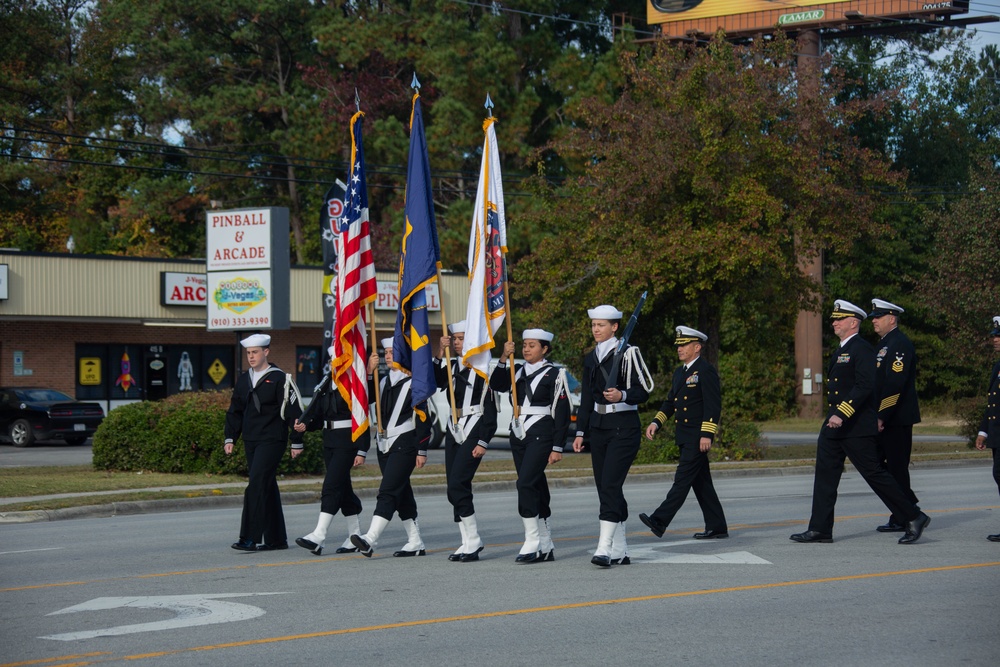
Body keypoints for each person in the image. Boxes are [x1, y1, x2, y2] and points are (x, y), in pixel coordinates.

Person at [790, 300, 930, 545]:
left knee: (874, 473)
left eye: (839, 319)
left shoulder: (862, 349)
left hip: (854, 425)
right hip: (835, 426)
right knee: (825, 475)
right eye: (834, 319)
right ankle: (820, 528)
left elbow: (865, 386)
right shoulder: (843, 349)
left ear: (853, 323)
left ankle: (913, 516)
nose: (834, 323)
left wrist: (842, 413)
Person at [573, 304, 653, 567]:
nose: (596, 329)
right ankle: (620, 548)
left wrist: (623, 395)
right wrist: (581, 431)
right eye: (594, 325)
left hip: (623, 426)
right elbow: (586, 398)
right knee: (606, 488)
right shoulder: (591, 357)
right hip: (598, 427)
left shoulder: (629, 353)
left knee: (609, 485)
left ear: (615, 327)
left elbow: (645, 389)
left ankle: (604, 548)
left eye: (602, 325)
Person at [638, 326, 728, 541]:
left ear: (697, 347)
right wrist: (656, 422)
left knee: (682, 480)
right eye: (678, 345)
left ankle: (660, 520)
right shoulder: (680, 372)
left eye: (684, 345)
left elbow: (713, 406)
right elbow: (671, 402)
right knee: (701, 483)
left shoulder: (705, 371)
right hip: (684, 436)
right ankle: (717, 527)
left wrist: (707, 434)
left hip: (697, 437)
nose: (679, 349)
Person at [492, 330, 571, 563]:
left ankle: (532, 540)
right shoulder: (517, 370)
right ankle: (546, 544)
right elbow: (496, 384)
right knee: (535, 484)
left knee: (525, 482)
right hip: (518, 432)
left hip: (541, 431)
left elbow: (562, 412)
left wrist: (558, 446)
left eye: (532, 345)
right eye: (524, 345)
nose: (526, 349)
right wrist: (504, 358)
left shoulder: (554, 374)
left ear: (545, 349)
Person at [351, 338, 430, 557]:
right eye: (385, 352)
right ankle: (415, 542)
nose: (388, 356)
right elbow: (364, 400)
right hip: (384, 444)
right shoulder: (383, 381)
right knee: (401, 492)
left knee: (387, 491)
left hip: (405, 443)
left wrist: (422, 450)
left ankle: (370, 538)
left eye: (392, 352)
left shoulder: (415, 383)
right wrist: (368, 372)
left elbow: (424, 418)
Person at [224, 333, 303, 552]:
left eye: (255, 352)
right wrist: (230, 437)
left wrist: (296, 442)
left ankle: (249, 537)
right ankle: (276, 539)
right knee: (266, 486)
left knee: (256, 484)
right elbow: (235, 411)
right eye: (248, 353)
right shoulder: (244, 379)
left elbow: (294, 412)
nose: (251, 357)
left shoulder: (280, 378)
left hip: (272, 440)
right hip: (251, 440)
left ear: (266, 352)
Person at [293, 350, 370, 556]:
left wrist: (363, 448)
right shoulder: (327, 382)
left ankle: (319, 535)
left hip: (348, 441)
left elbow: (362, 415)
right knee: (343, 489)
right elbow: (319, 416)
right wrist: (305, 426)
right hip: (329, 441)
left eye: (338, 359)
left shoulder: (353, 383)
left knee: (331, 486)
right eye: (331, 360)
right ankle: (355, 536)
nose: (333, 363)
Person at [435, 321, 498, 562]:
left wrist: (483, 440)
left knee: (458, 484)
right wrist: (440, 352)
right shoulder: (453, 366)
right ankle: (466, 541)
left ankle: (474, 539)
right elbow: (435, 382)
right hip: (454, 426)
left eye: (461, 339)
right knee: (454, 486)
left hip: (475, 424)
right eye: (455, 338)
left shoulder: (483, 369)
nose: (457, 342)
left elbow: (491, 408)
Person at [868, 299, 922, 533]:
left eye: (878, 317)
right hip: (886, 417)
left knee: (896, 468)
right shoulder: (884, 344)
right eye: (873, 317)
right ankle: (906, 506)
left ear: (892, 318)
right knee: (882, 466)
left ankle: (904, 514)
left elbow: (895, 384)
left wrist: (882, 415)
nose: (874, 321)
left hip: (896, 418)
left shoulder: (899, 344)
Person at [974, 315, 1000, 542]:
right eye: (995, 336)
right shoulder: (998, 366)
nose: (995, 340)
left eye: (999, 336)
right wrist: (984, 431)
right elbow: (993, 403)